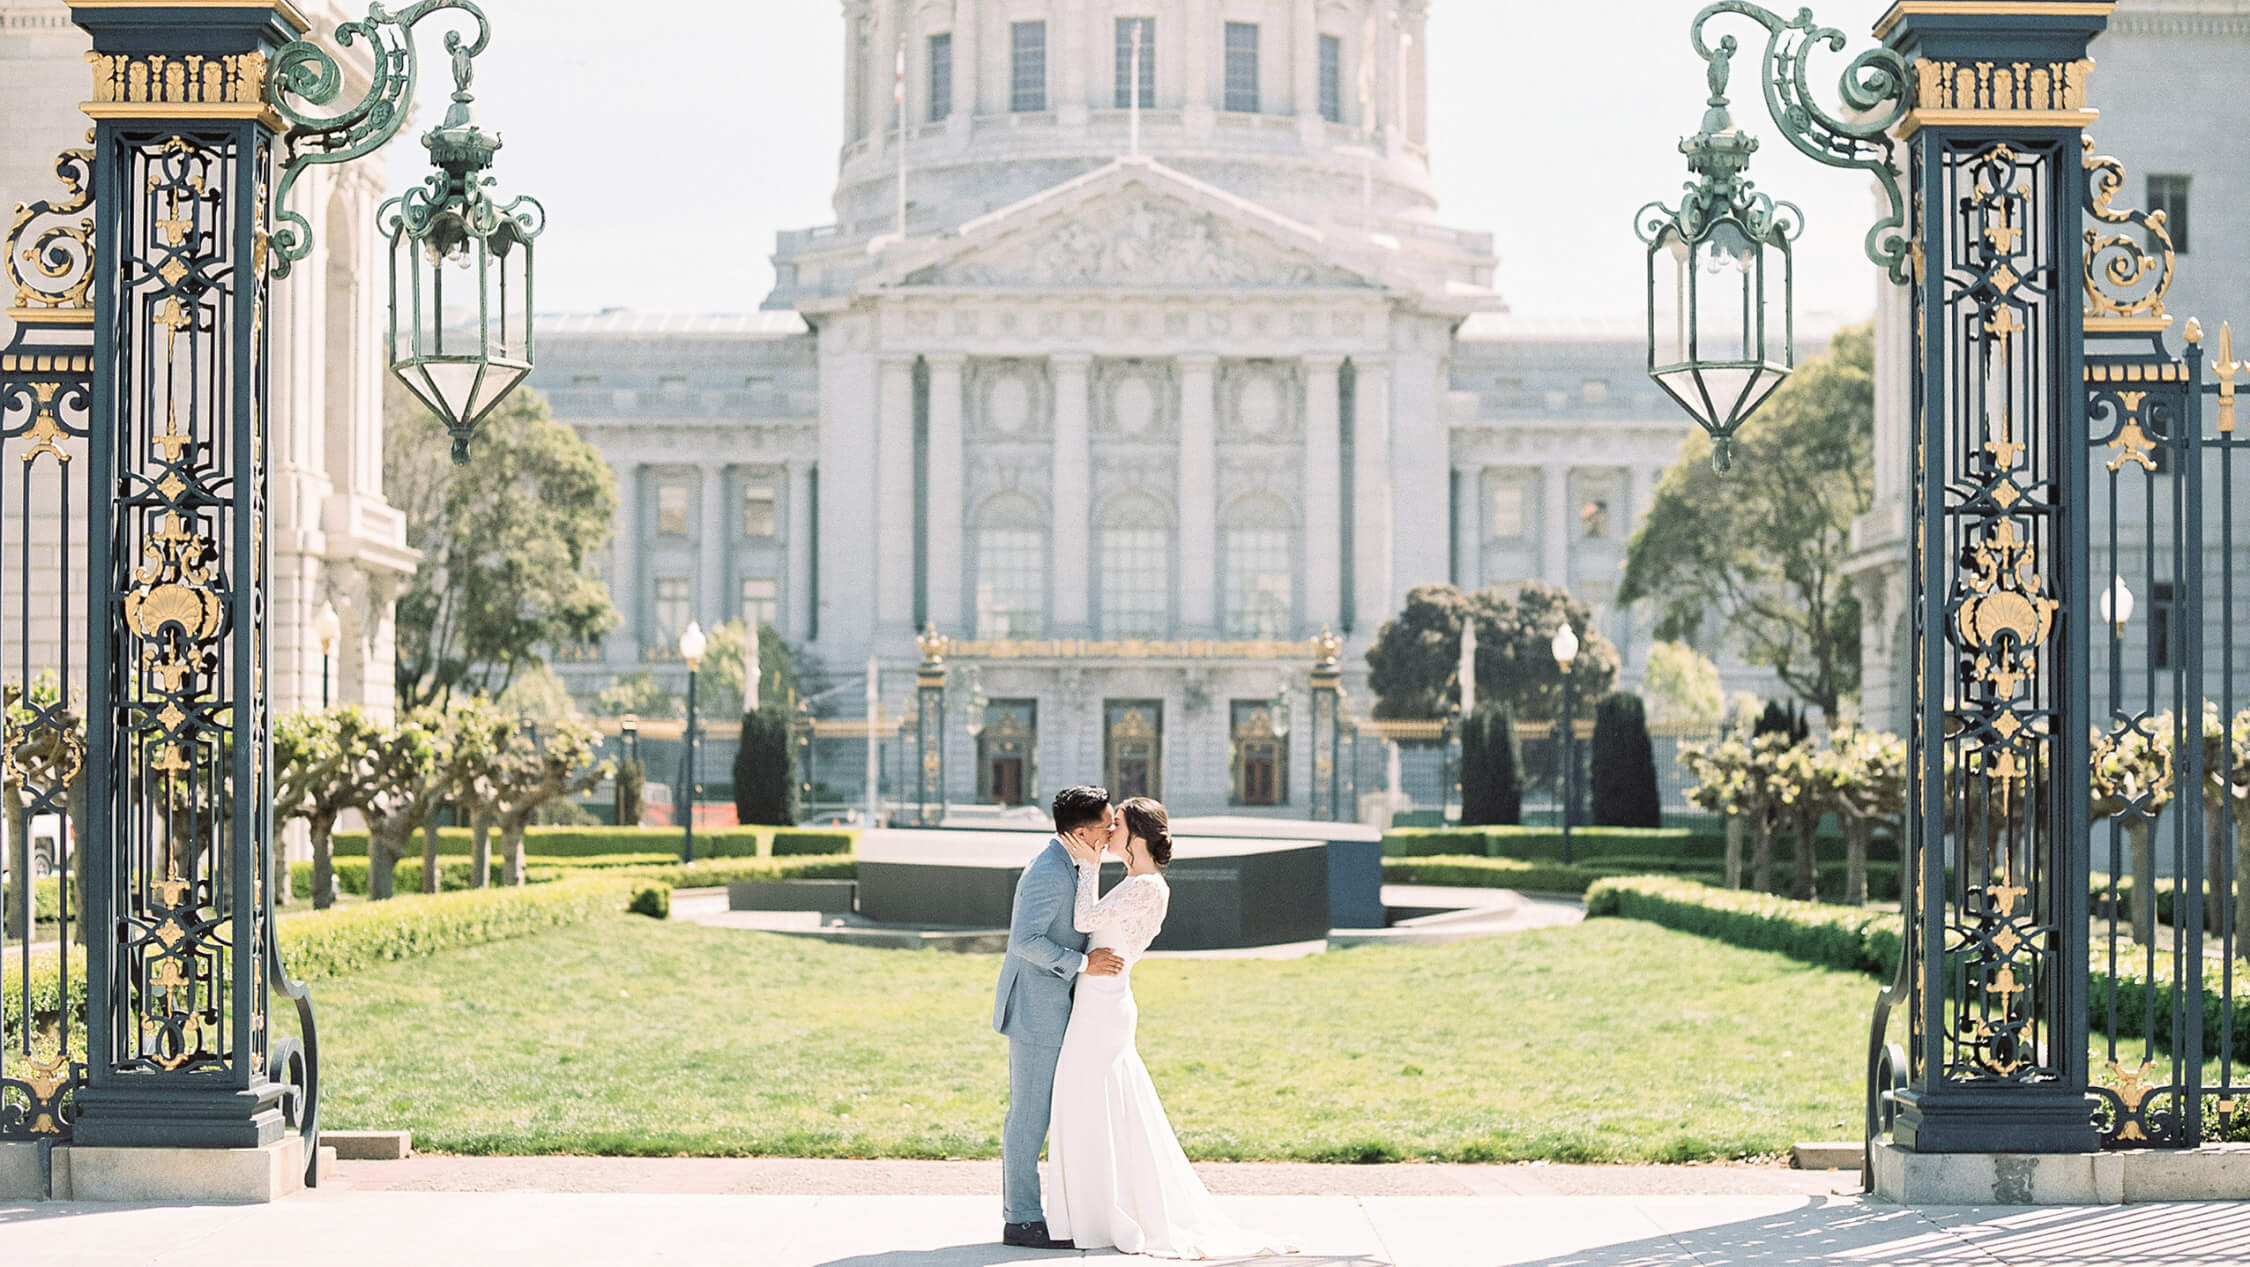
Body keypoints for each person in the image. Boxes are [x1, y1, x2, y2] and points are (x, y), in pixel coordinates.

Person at [1045, 797, 1295, 1259]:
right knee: (1096, 1103)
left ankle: (1100, 1214)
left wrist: (1087, 865)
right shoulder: (1140, 882)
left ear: (1135, 833)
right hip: (1103, 1000)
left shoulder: (1144, 886)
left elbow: (1085, 920)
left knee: (1086, 1099)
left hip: (1103, 1005)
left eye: (1114, 825)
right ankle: (1093, 1210)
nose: (1106, 832)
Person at [993, 785, 1123, 1251]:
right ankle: (1021, 1220)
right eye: (1108, 826)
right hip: (1036, 1011)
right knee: (1030, 1116)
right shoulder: (1048, 871)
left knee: (1049, 1113)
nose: (1113, 832)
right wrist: (1085, 964)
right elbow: (1024, 941)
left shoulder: (1077, 863)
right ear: (1084, 832)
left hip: (1060, 1009)